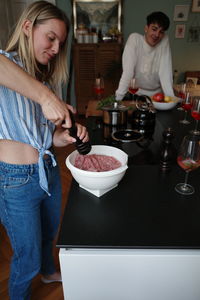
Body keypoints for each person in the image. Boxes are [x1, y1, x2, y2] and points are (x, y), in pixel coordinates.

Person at [0, 1, 89, 299]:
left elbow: (41, 135)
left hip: (48, 170)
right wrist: (46, 96)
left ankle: (49, 272)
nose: (54, 48)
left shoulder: (40, 77)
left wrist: (60, 138)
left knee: (50, 233)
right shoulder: (6, 63)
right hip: (15, 180)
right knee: (26, 257)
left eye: (59, 43)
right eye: (50, 37)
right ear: (27, 27)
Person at [115, 11, 175, 100]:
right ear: (146, 28)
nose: (157, 35)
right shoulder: (134, 39)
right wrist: (118, 99)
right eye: (154, 29)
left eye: (161, 32)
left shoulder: (164, 40)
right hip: (136, 95)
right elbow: (128, 73)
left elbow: (166, 73)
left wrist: (171, 100)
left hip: (157, 97)